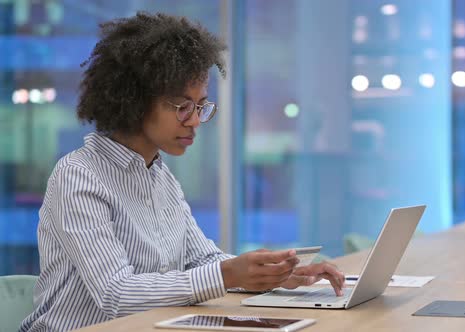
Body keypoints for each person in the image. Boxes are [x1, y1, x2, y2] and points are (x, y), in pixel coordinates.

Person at [20, 12, 344, 332]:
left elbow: (202, 260)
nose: (195, 121)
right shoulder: (78, 176)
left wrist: (274, 274)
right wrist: (229, 274)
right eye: (182, 106)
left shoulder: (161, 178)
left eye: (200, 105)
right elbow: (115, 294)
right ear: (134, 100)